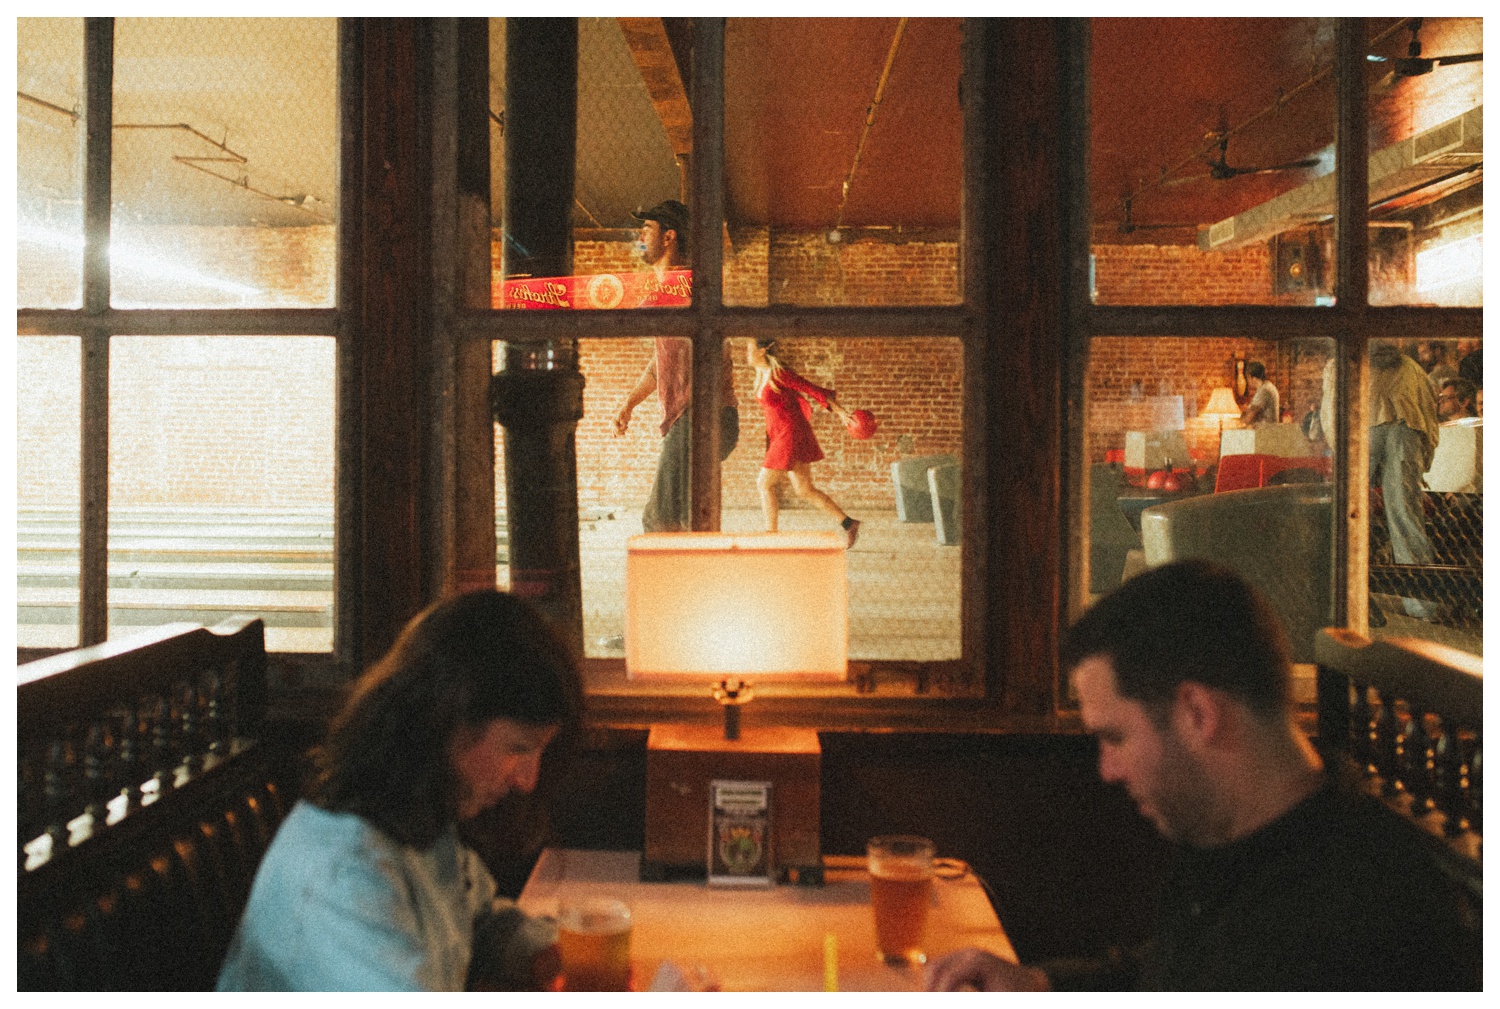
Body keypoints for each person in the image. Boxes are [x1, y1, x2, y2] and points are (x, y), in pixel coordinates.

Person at [925, 561, 1480, 992]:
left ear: (1196, 713)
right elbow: (1177, 970)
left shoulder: (1347, 929)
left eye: (1114, 737)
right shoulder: (1258, 834)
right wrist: (1042, 983)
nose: (1107, 769)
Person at [218, 590, 583, 991]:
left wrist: (550, 954)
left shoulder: (416, 813)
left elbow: (481, 919)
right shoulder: (347, 875)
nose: (527, 780)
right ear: (446, 721)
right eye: (518, 748)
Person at [612, 199, 738, 532]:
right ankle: (699, 577)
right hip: (698, 420)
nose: (639, 237)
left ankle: (679, 578)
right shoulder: (666, 292)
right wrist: (629, 403)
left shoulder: (687, 288)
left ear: (669, 237)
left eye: (646, 229)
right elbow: (661, 364)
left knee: (659, 519)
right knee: (684, 519)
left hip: (702, 418)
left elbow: (712, 354)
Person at [748, 337, 861, 547]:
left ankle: (770, 536)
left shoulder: (779, 373)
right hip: (783, 434)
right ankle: (848, 523)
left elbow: (812, 390)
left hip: (790, 433)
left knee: (763, 483)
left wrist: (841, 413)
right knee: (804, 490)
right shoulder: (762, 375)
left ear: (762, 351)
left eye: (749, 349)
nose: (746, 354)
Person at [1369, 341, 1441, 620]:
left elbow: (1331, 412)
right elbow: (1429, 420)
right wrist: (1426, 459)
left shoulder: (1350, 363)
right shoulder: (1412, 370)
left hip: (1363, 428)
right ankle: (1422, 603)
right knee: (1406, 517)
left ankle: (1341, 595)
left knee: (1347, 514)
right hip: (1407, 432)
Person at [1238, 361, 1278, 428]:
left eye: (1247, 378)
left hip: (1264, 433)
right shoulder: (1268, 387)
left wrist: (1242, 418)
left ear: (1251, 377)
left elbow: (1249, 417)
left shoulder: (1264, 390)